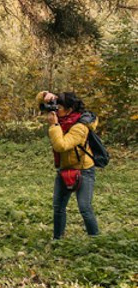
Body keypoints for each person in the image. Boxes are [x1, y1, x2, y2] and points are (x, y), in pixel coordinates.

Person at [38, 91, 100, 240]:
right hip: (64, 168)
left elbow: (61, 145)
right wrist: (46, 94)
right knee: (58, 207)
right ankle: (58, 238)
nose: (55, 110)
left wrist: (54, 125)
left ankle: (95, 239)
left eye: (58, 107)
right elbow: (41, 103)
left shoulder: (81, 126)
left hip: (84, 170)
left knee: (84, 207)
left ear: (69, 109)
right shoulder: (62, 118)